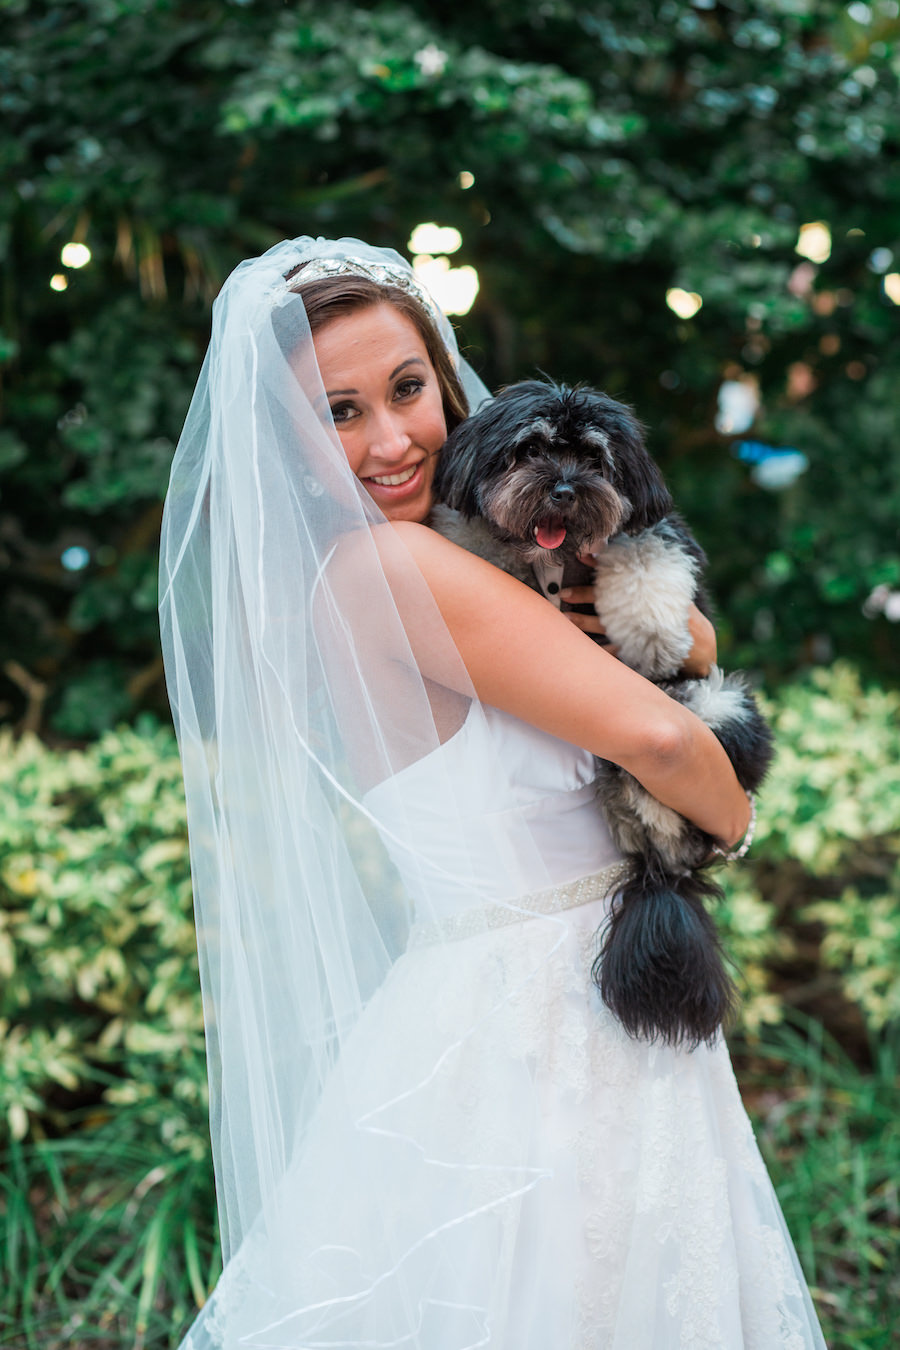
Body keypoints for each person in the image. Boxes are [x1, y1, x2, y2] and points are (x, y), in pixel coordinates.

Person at [160, 237, 826, 1348]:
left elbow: (678, 638)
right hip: (550, 1029)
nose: (391, 439)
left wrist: (681, 638)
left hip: (503, 1003)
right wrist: (735, 817)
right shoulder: (398, 570)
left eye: (409, 389)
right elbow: (664, 732)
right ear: (285, 440)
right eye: (339, 412)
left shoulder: (421, 561)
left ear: (448, 379)